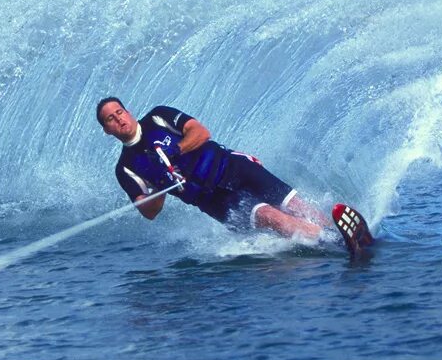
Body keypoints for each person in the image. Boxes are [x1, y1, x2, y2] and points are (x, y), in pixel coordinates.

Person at [96, 97, 373, 257]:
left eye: (119, 112)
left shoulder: (158, 117)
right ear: (107, 131)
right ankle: (335, 244)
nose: (118, 119)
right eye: (110, 119)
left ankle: (339, 232)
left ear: (128, 112)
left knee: (298, 206)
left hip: (234, 168)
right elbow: (149, 211)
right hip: (216, 200)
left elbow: (201, 132)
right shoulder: (127, 168)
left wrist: (176, 148)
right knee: (273, 218)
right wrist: (160, 182)